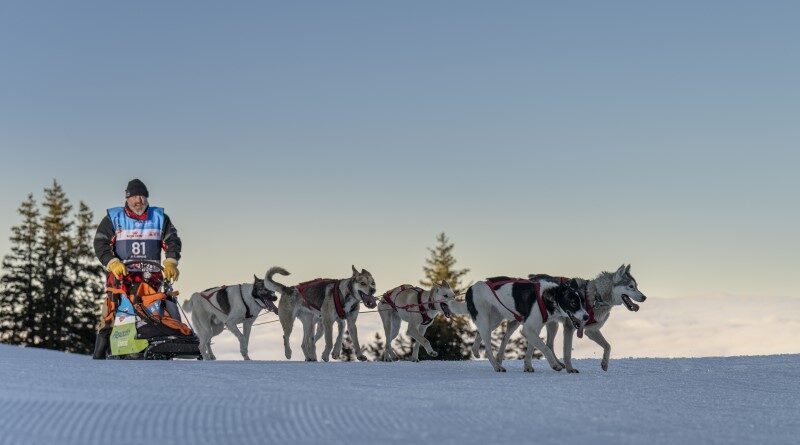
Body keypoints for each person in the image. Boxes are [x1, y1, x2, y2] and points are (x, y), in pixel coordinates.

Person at [91, 178, 182, 359]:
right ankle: (99, 359)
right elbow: (100, 242)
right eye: (134, 197)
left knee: (156, 312)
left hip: (151, 279)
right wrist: (112, 262)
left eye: (142, 196)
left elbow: (172, 240)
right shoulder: (113, 218)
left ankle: (159, 347)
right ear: (127, 198)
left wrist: (171, 261)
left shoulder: (159, 218)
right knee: (109, 317)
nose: (139, 200)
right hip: (121, 279)